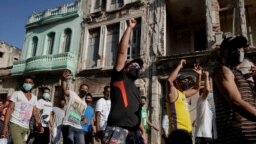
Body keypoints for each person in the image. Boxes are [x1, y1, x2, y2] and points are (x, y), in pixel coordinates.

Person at [102, 18, 145, 144]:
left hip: (135, 133)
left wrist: (143, 131)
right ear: (125, 68)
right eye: (133, 65)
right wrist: (130, 28)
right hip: (118, 130)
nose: (136, 68)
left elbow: (135, 113)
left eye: (138, 67)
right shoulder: (119, 77)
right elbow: (121, 52)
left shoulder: (136, 90)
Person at [213, 35, 256, 143]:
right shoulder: (223, 71)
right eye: (235, 48)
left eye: (241, 48)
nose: (240, 51)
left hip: (249, 136)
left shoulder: (239, 74)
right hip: (236, 137)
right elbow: (235, 102)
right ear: (225, 52)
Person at [2, 76, 43, 144]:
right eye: (26, 82)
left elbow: (35, 113)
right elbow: (9, 109)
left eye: (30, 82)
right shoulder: (17, 93)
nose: (28, 84)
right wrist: (5, 126)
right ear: (23, 83)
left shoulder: (34, 98)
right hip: (15, 124)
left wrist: (39, 124)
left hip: (25, 127)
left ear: (33, 85)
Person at [166, 59, 202, 136]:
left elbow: (196, 89)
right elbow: (169, 81)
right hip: (178, 132)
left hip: (188, 131)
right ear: (177, 82)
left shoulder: (183, 94)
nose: (186, 82)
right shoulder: (174, 93)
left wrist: (199, 75)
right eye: (183, 80)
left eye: (187, 80)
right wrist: (179, 66)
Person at [61, 70, 87, 144]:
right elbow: (64, 91)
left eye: (86, 89)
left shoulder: (85, 104)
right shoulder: (73, 94)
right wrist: (63, 79)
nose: (84, 90)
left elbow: (80, 115)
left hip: (78, 127)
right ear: (79, 89)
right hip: (68, 124)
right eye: (83, 88)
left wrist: (83, 118)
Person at [194, 71, 213, 144]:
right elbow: (207, 90)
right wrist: (206, 76)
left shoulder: (207, 104)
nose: (210, 93)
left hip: (207, 135)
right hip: (202, 136)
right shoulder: (202, 99)